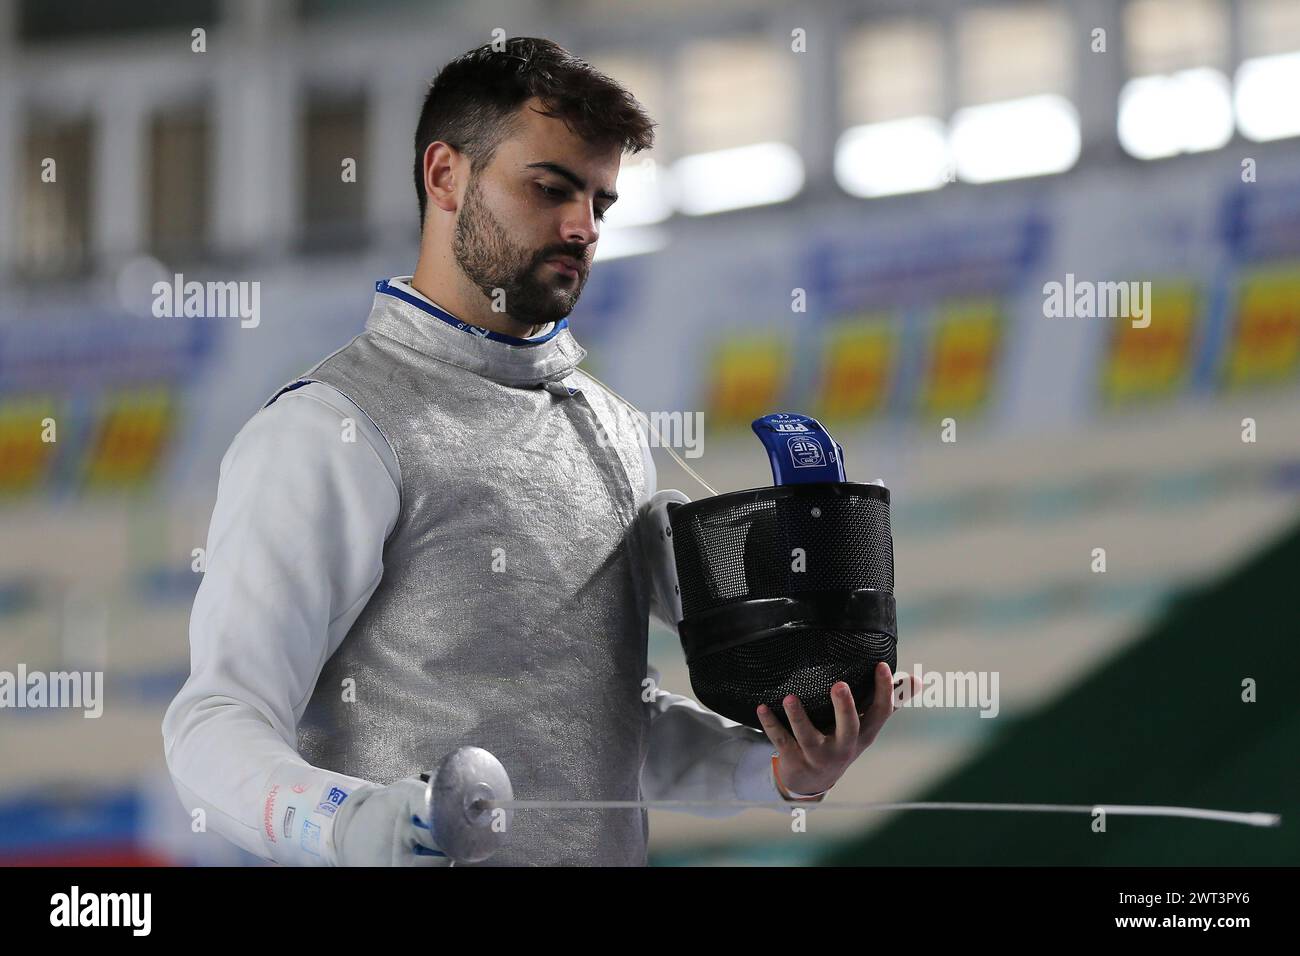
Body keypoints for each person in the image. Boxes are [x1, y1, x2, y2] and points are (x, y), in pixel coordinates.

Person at [162, 36, 908, 867]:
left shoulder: (610, 431)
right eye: (550, 188)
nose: (582, 227)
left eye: (601, 202)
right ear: (445, 176)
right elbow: (215, 723)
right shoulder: (332, 429)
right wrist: (345, 821)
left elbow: (606, 725)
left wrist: (780, 764)